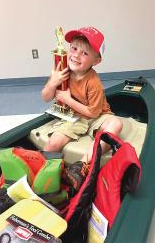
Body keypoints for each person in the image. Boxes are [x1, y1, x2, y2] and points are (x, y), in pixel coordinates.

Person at [42, 26, 123, 191]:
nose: (76, 55)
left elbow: (93, 112)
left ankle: (81, 167)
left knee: (116, 124)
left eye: (85, 53)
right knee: (53, 143)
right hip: (73, 117)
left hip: (96, 115)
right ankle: (45, 174)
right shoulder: (61, 70)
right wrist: (53, 82)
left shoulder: (94, 83)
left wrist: (67, 99)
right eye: (74, 48)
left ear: (96, 61)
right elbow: (46, 97)